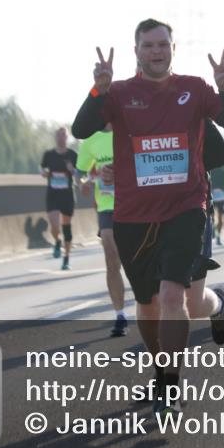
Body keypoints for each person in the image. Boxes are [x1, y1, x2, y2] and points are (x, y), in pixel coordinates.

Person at [71, 18, 224, 421]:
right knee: (148, 304)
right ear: (136, 51)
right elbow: (82, 128)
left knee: (173, 297)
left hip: (185, 207)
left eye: (163, 44)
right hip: (133, 214)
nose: (156, 51)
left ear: (173, 48)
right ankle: (164, 365)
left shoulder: (195, 88)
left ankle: (170, 384)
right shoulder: (119, 93)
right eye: (148, 45)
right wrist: (98, 88)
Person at [77, 122, 128, 337]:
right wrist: (84, 184)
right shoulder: (91, 139)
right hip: (107, 207)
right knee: (111, 258)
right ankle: (120, 315)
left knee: (138, 262)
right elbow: (81, 173)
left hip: (136, 206)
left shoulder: (130, 130)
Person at [41, 128, 78, 270]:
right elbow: (42, 169)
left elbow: (80, 174)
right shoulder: (49, 155)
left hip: (67, 195)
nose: (61, 137)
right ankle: (57, 241)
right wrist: (44, 172)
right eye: (58, 135)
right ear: (55, 137)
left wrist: (72, 170)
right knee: (54, 226)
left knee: (66, 227)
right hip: (53, 194)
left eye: (63, 135)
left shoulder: (73, 155)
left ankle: (66, 258)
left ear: (67, 137)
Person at [208, 158, 224, 246]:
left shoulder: (212, 159)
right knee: (217, 216)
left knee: (215, 216)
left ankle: (216, 234)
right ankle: (216, 235)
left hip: (214, 191)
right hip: (216, 192)